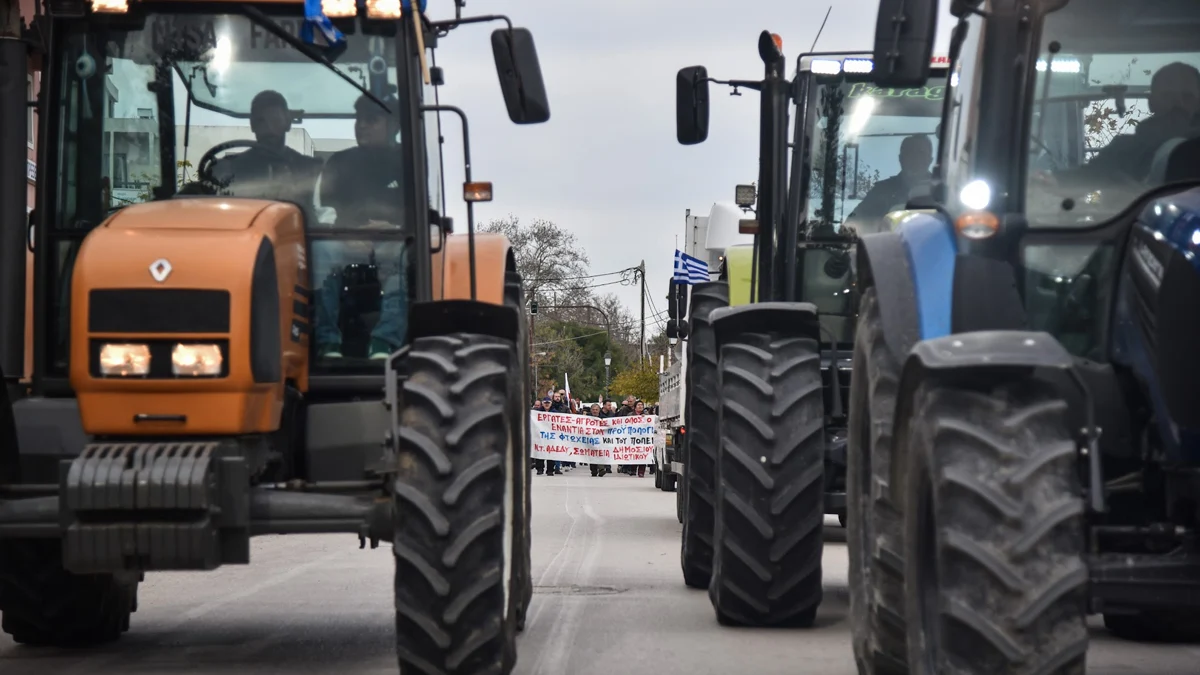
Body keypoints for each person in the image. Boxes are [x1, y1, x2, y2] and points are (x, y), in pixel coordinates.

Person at [311, 94, 408, 360]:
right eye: (358, 119)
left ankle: (384, 342)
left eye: (371, 120)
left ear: (393, 126)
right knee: (322, 251)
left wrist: (394, 226)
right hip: (346, 239)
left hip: (395, 238)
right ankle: (327, 342)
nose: (361, 125)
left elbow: (421, 207)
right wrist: (347, 233)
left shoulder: (409, 162)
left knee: (398, 253)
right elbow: (324, 210)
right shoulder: (339, 162)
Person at [208, 90, 321, 201]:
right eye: (261, 121)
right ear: (252, 124)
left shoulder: (310, 170)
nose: (268, 128)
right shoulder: (228, 168)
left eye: (275, 120)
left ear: (287, 124)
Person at [843, 134, 933, 234]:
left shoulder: (944, 193)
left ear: (930, 160)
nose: (915, 158)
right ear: (901, 159)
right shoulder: (880, 192)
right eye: (909, 153)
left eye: (921, 153)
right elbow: (851, 227)